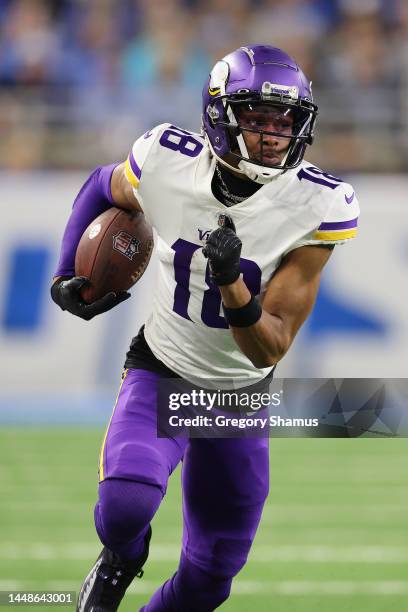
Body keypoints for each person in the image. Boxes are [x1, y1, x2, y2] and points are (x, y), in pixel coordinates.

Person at [51, 45, 359, 612]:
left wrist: (230, 282)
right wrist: (70, 269)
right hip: (163, 369)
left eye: (284, 121)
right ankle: (122, 558)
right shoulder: (166, 158)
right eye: (257, 118)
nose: (273, 134)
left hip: (237, 398)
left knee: (210, 576)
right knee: (123, 506)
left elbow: (270, 346)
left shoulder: (318, 204)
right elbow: (103, 184)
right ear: (219, 116)